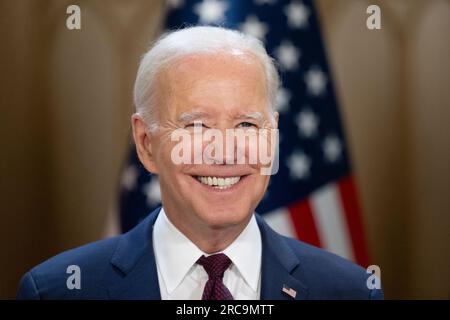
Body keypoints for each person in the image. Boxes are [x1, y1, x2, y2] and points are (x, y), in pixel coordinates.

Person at [17, 26, 383, 300]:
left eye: (246, 124)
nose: (224, 152)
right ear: (146, 144)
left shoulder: (350, 292)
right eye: (196, 126)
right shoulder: (57, 290)